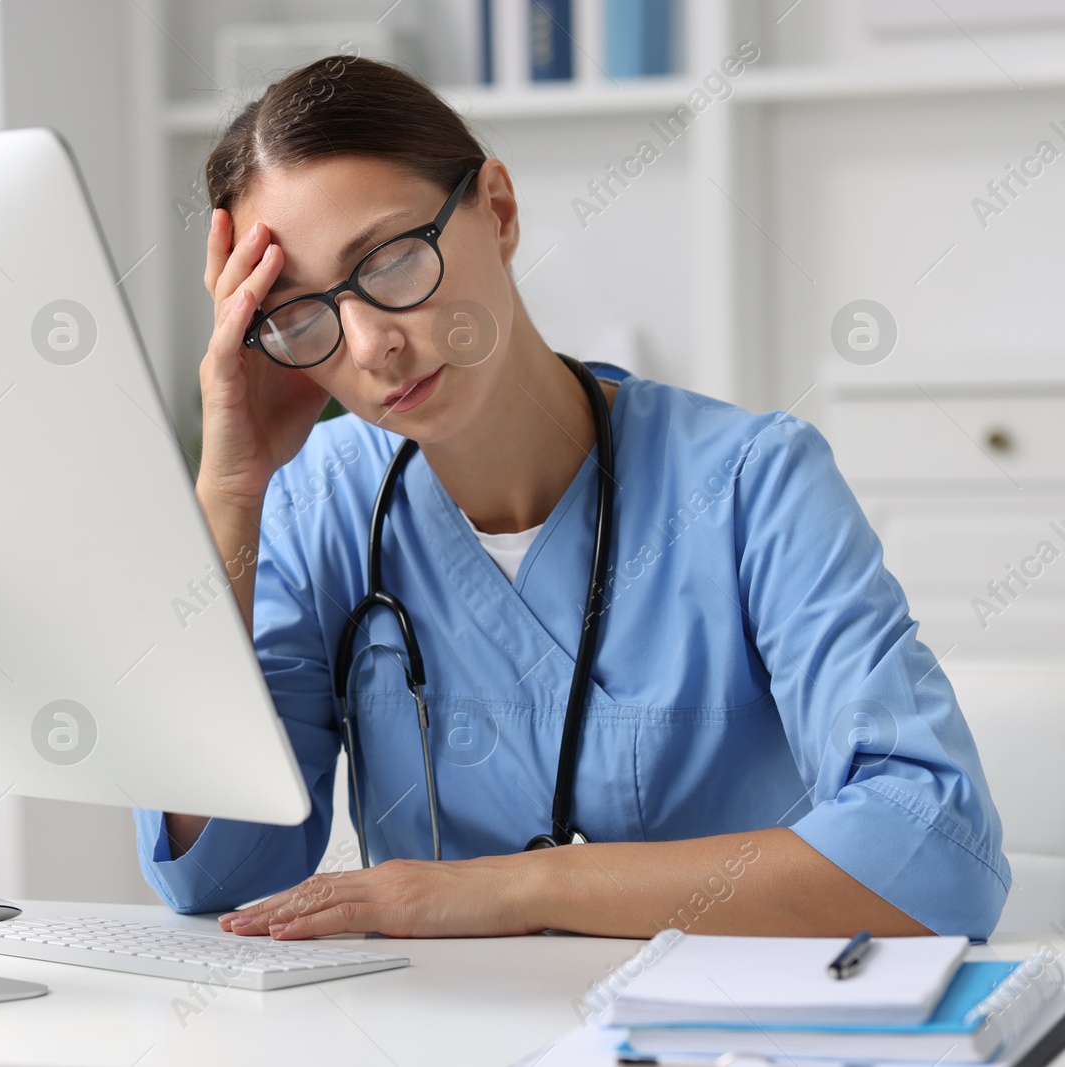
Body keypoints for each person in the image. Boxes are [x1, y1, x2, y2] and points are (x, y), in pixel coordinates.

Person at [133, 56, 1008, 941]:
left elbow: (936, 852)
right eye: (302, 312)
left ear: (499, 212)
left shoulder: (754, 485)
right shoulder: (316, 505)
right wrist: (230, 492)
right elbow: (215, 868)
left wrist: (514, 888)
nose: (367, 344)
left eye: (392, 260)